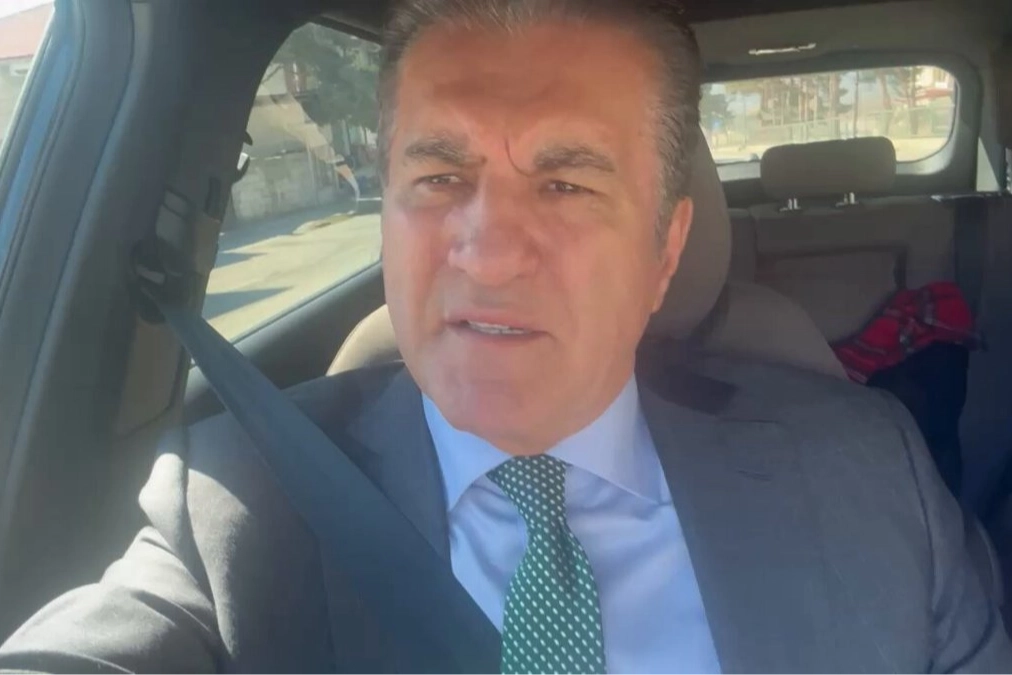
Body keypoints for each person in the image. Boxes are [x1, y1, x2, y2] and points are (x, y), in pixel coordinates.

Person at [1, 0, 1010, 673]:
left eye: (565, 184)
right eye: (439, 177)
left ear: (664, 248)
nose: (485, 254)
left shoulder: (869, 479)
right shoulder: (239, 502)